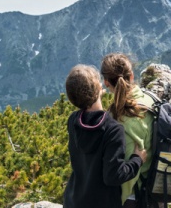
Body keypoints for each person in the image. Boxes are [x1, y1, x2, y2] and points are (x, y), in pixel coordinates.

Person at [63, 64, 147, 208]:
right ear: (98, 89)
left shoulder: (73, 120)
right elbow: (113, 176)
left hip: (74, 200)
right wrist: (137, 160)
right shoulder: (113, 130)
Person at [101, 53, 156, 208]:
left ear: (106, 82)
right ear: (131, 76)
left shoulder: (121, 119)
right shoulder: (149, 100)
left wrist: (119, 201)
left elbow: (126, 176)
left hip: (134, 197)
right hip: (153, 189)